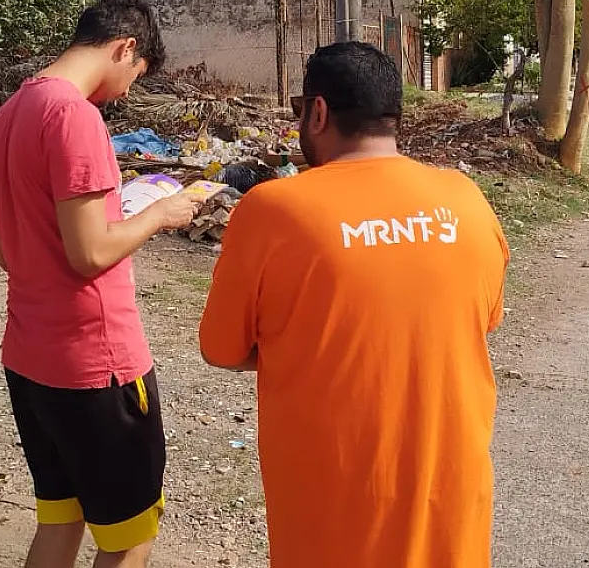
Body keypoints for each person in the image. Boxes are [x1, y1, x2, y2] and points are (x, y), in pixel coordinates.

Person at [199, 42, 509, 568]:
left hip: (333, 503)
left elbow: (223, 349)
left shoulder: (274, 209)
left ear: (317, 112)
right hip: (450, 495)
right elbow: (479, 321)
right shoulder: (466, 199)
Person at [0, 0, 200, 568]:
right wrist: (161, 213)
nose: (128, 91)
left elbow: (8, 250)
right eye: (136, 74)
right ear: (125, 47)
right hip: (94, 364)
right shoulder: (74, 116)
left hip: (31, 358)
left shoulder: (11, 112)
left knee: (62, 519)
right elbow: (89, 253)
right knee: (129, 535)